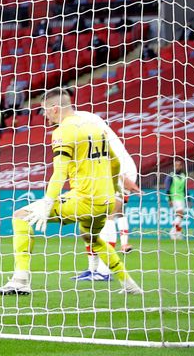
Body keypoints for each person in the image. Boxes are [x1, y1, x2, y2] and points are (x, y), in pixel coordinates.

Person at [0, 88, 142, 296]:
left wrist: (47, 203)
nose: (44, 115)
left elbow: (59, 173)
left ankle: (20, 280)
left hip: (84, 199)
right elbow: (114, 162)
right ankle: (130, 285)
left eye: (44, 110)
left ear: (54, 109)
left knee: (20, 217)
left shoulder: (63, 131)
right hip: (105, 200)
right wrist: (115, 188)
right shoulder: (94, 127)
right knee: (93, 238)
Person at [71, 108, 141, 282]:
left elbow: (108, 154)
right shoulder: (77, 121)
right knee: (88, 218)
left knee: (108, 216)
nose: (45, 116)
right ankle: (92, 268)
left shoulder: (83, 122)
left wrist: (124, 180)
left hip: (120, 170)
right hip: (102, 171)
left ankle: (105, 270)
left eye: (45, 110)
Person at [164, 159, 188, 240]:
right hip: (174, 198)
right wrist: (169, 199)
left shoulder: (183, 175)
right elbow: (167, 188)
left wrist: (188, 198)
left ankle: (177, 233)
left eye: (179, 165)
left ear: (181, 166)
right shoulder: (171, 176)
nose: (177, 167)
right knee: (180, 215)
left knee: (180, 216)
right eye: (176, 165)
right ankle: (173, 231)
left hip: (181, 198)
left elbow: (184, 188)